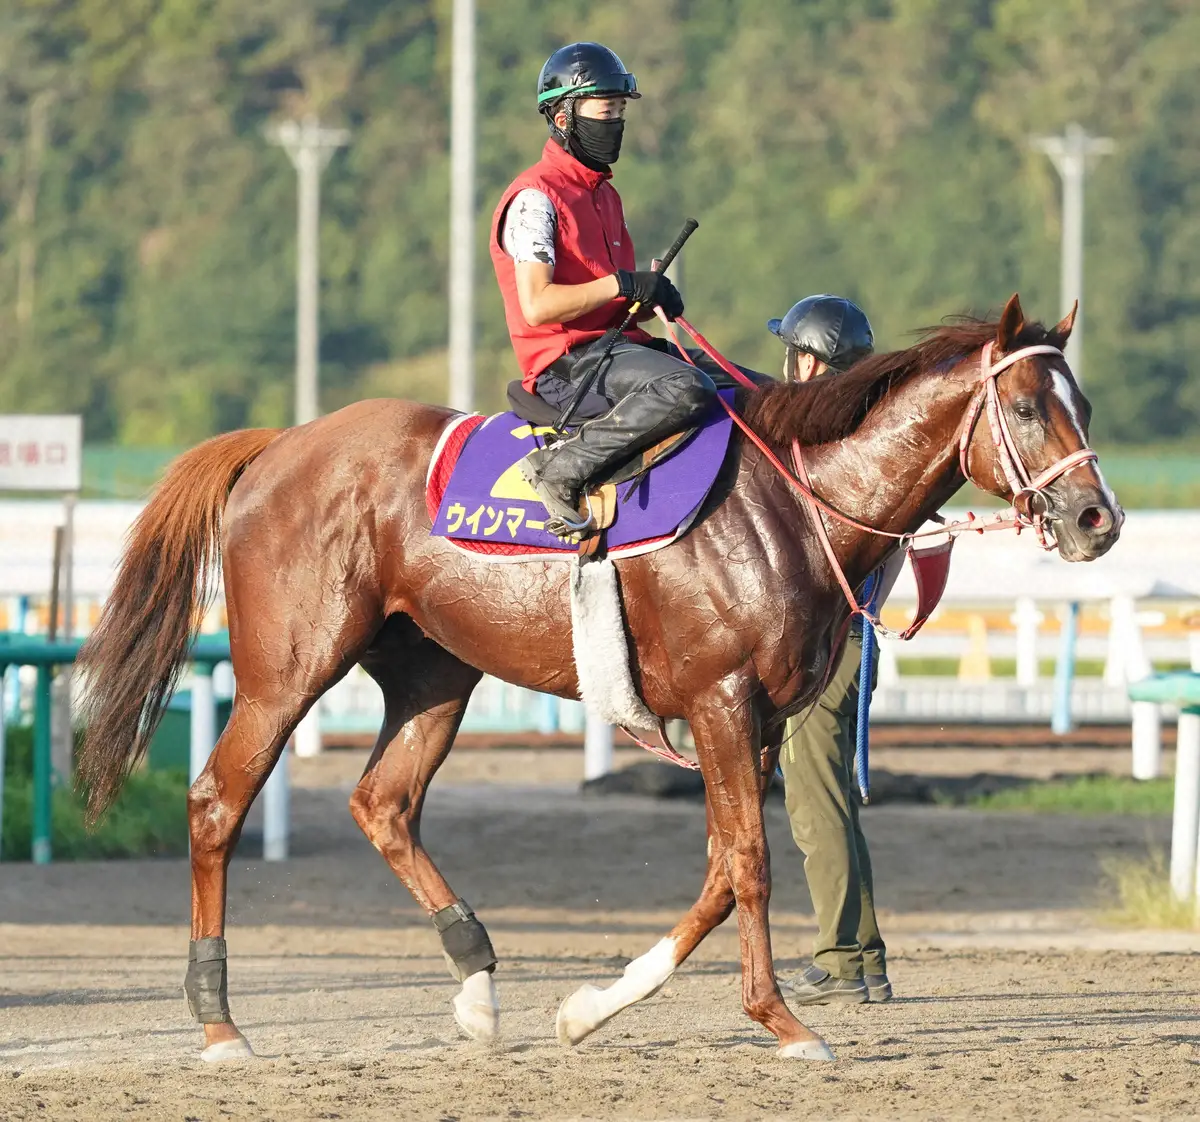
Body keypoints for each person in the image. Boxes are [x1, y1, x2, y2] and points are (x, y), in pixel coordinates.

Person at [489, 42, 716, 541]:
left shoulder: (604, 194)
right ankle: (559, 470)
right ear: (565, 117)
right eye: (605, 111)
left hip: (615, 352)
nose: (615, 124)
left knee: (742, 382)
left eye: (620, 112)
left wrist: (647, 295)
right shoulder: (534, 199)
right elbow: (538, 306)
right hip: (565, 368)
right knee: (686, 388)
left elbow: (610, 297)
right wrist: (621, 283)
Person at [767, 295, 896, 1006]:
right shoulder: (862, 432)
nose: (786, 363)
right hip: (851, 636)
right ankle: (864, 955)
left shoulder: (829, 441)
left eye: (792, 351)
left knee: (815, 804)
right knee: (832, 800)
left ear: (811, 360)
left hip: (831, 641)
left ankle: (842, 959)